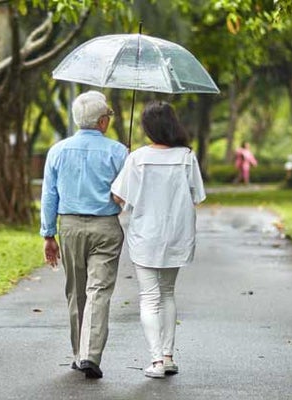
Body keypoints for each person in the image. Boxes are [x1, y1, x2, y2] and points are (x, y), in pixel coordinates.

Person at [111, 101, 206, 379]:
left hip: (146, 236)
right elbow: (197, 196)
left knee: (149, 297)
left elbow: (118, 197)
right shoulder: (187, 157)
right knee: (167, 294)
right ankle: (168, 356)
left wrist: (128, 162)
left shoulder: (137, 158)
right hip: (177, 234)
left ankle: (155, 360)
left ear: (148, 127)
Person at [39, 90, 128, 379]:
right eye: (108, 116)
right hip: (106, 228)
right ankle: (90, 354)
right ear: (102, 121)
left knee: (76, 291)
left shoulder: (58, 151)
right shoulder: (118, 151)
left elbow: (49, 195)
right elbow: (126, 195)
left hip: (70, 227)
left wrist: (48, 234)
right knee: (99, 291)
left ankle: (80, 354)